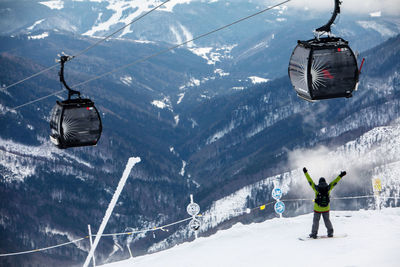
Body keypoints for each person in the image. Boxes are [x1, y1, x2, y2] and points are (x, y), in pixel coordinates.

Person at [303, 167, 346, 238]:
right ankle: (330, 233)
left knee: (316, 221)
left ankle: (314, 234)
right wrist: (341, 175)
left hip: (317, 208)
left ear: (319, 182)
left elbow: (309, 181)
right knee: (327, 220)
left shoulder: (316, 188)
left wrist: (305, 173)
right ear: (325, 182)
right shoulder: (328, 188)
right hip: (326, 208)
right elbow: (335, 181)